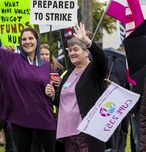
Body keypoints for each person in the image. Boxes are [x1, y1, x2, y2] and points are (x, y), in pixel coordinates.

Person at [0, 26, 57, 152]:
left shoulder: (47, 67)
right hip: (20, 121)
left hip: (45, 119)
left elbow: (58, 93)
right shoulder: (12, 59)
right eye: (24, 39)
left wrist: (53, 93)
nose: (27, 41)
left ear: (37, 40)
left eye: (31, 38)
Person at [45, 23, 110, 152]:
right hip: (67, 132)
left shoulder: (93, 70)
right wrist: (53, 95)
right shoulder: (68, 74)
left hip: (86, 132)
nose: (72, 53)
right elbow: (62, 101)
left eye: (76, 49)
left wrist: (88, 42)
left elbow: (102, 58)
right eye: (70, 50)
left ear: (86, 53)